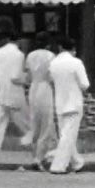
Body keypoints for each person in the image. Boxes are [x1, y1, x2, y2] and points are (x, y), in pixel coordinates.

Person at [0, 17, 31, 170]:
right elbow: (16, 77)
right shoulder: (19, 55)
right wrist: (28, 79)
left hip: (1, 94)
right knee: (30, 126)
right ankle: (42, 156)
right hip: (15, 95)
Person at [48, 37, 90, 174]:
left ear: (60, 48)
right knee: (68, 136)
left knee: (66, 135)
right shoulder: (76, 62)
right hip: (74, 102)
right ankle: (58, 166)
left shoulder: (53, 63)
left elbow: (51, 80)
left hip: (60, 102)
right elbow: (85, 84)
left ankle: (77, 162)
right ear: (73, 49)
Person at [18, 32, 57, 170]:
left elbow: (27, 77)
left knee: (34, 122)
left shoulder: (30, 56)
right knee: (46, 123)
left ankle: (34, 155)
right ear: (48, 43)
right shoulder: (51, 56)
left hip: (33, 88)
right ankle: (40, 157)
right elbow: (52, 76)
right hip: (45, 87)